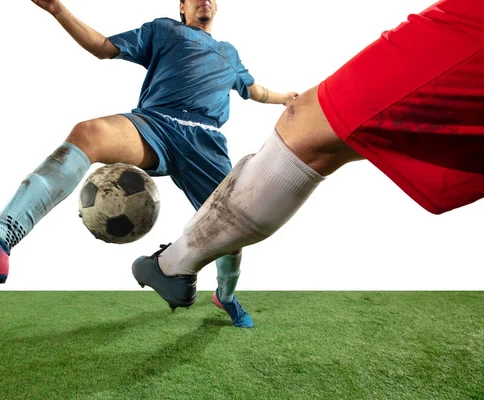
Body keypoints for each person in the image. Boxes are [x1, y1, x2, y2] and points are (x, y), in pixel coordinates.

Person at [0, 0, 297, 328]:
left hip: (206, 141)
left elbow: (253, 89)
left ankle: (226, 297)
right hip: (157, 123)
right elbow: (103, 47)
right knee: (89, 133)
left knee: (235, 233)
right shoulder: (163, 30)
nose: (206, 1)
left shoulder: (228, 53)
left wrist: (284, 99)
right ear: (181, 7)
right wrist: (58, 9)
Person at [132, 0, 484, 309]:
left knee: (309, 123)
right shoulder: (170, 36)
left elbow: (251, 88)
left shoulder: (226, 53)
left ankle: (172, 266)